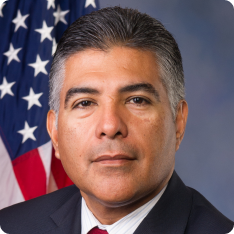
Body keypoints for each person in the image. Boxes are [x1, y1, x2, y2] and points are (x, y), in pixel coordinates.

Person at [0, 6, 233, 234]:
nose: (110, 126)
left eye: (137, 100)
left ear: (178, 122)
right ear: (55, 132)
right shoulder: (10, 226)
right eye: (85, 103)